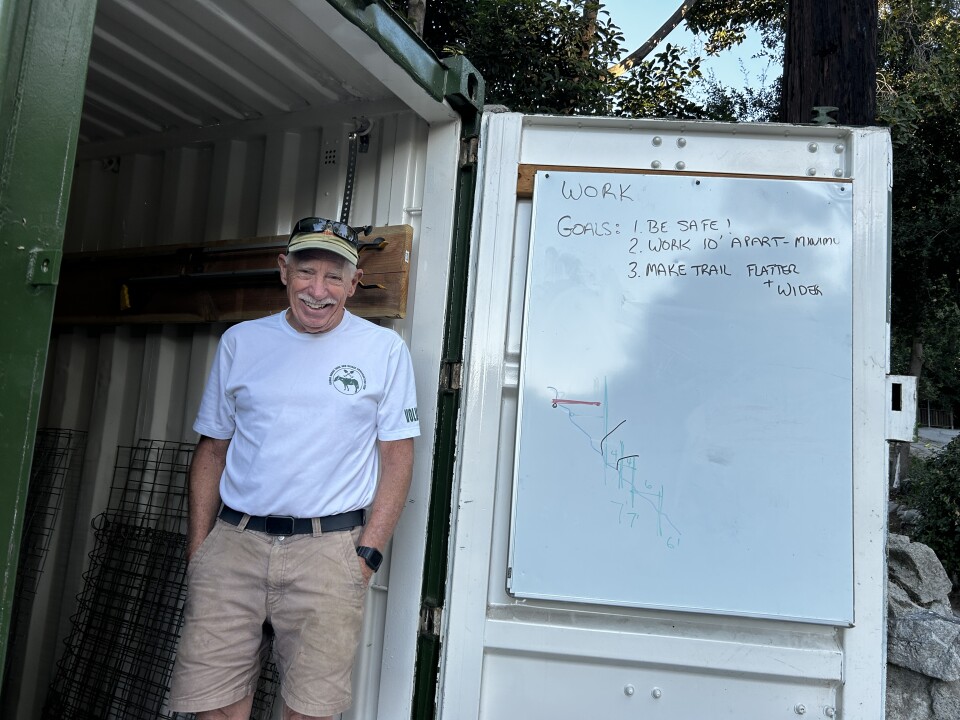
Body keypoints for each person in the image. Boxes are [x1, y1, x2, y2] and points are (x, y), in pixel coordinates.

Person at [168, 217, 420, 720]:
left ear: (354, 282)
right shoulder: (241, 342)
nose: (317, 291)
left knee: (310, 711)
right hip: (234, 546)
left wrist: (366, 555)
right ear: (284, 270)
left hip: (328, 553)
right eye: (306, 272)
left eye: (334, 277)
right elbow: (212, 451)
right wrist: (201, 550)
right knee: (214, 708)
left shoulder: (384, 351)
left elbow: (398, 457)